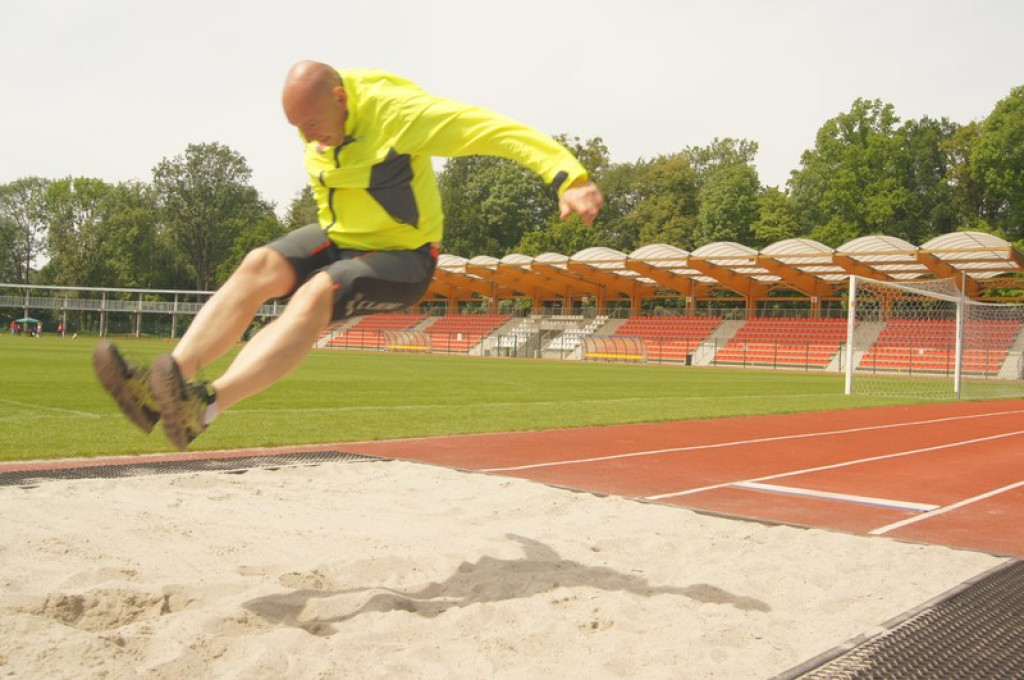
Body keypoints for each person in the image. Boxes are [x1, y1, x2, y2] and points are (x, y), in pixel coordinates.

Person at [94, 60, 604, 450]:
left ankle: (203, 408)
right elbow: (321, 185)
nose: (307, 136)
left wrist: (569, 178)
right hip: (342, 235)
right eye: (297, 128)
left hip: (404, 256)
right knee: (258, 265)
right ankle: (167, 386)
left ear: (341, 98)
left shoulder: (399, 115)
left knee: (319, 292)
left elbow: (492, 130)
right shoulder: (315, 123)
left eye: (313, 123)